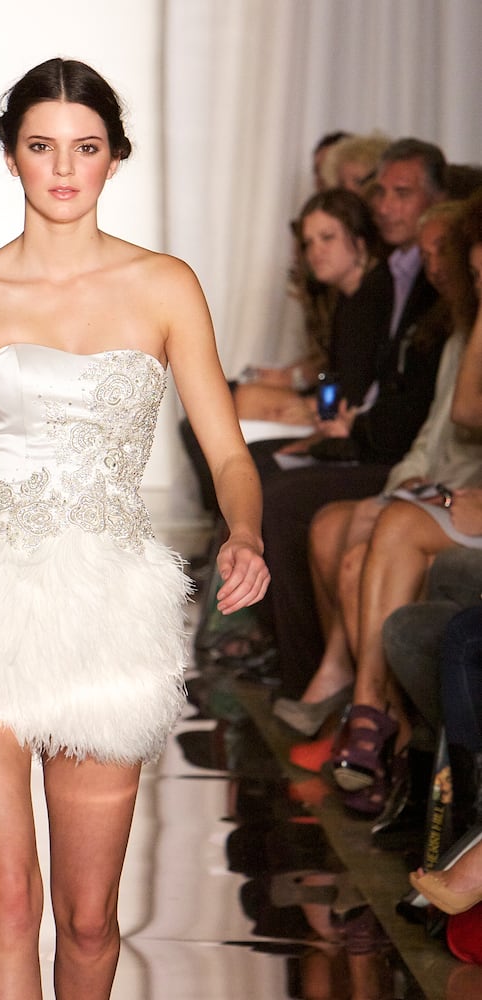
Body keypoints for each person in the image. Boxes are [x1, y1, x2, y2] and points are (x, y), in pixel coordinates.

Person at [0, 59, 270, 1000]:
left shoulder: (165, 287)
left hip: (108, 609)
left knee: (88, 919)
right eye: (43, 146)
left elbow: (229, 453)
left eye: (86, 147)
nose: (65, 168)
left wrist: (244, 530)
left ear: (115, 158)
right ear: (13, 157)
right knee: (7, 900)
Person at [243, 138, 449, 697]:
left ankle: (303, 674)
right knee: (257, 472)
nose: (385, 204)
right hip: (385, 444)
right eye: (380, 192)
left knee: (276, 494)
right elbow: (360, 383)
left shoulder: (413, 285)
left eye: (401, 192)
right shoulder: (388, 281)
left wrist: (343, 425)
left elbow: (398, 398)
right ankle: (286, 658)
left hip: (397, 455)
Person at [232, 188, 390, 426]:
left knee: (242, 403)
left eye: (327, 238)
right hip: (336, 412)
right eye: (308, 243)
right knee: (241, 399)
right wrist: (316, 405)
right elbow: (335, 374)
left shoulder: (376, 293)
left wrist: (315, 408)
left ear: (360, 239)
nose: (316, 251)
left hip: (359, 423)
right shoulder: (346, 298)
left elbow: (360, 390)